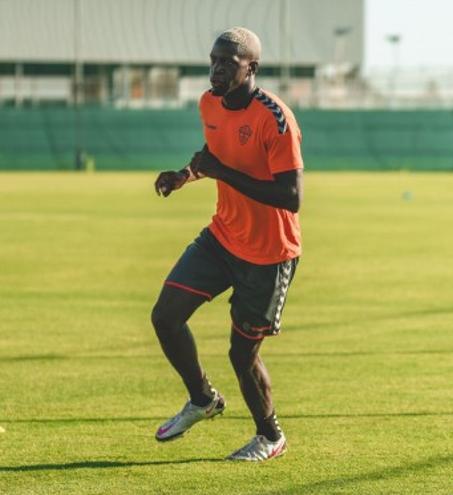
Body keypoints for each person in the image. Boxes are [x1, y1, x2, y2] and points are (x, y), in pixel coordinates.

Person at [151, 26, 303, 462]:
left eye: (228, 63)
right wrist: (186, 174)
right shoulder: (209, 103)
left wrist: (221, 172)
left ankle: (270, 436)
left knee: (242, 355)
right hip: (223, 237)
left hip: (269, 255)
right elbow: (214, 153)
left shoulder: (276, 119)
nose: (216, 69)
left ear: (251, 68)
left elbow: (291, 197)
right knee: (166, 316)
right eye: (213, 60)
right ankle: (202, 399)